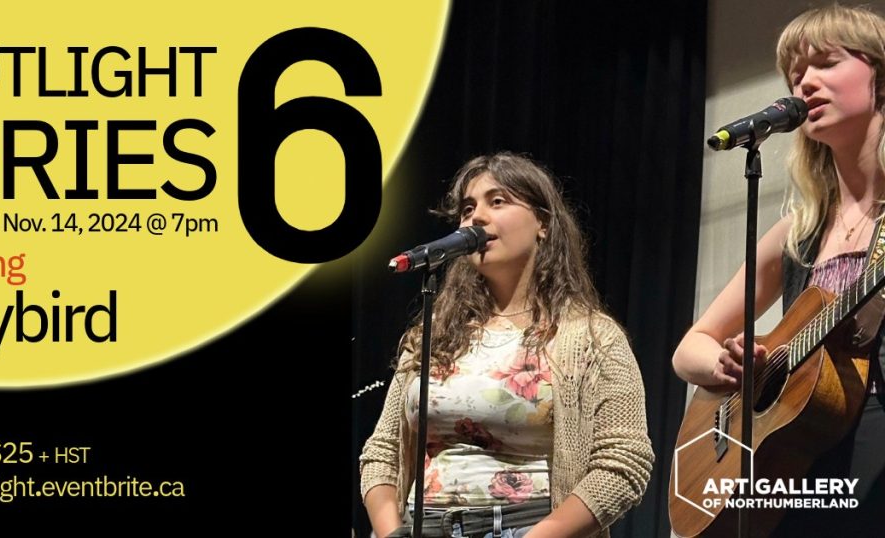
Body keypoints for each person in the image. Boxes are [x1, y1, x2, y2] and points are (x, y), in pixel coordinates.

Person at [359, 152, 653, 538]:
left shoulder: (591, 337)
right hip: (422, 524)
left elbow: (624, 462)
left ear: (542, 223)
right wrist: (390, 532)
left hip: (524, 526)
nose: (476, 218)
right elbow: (382, 451)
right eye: (468, 208)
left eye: (497, 201)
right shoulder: (434, 334)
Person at [672, 4, 885, 534]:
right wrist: (730, 368)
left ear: (881, 76)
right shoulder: (796, 235)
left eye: (826, 63)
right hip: (801, 465)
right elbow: (688, 348)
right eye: (795, 74)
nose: (804, 83)